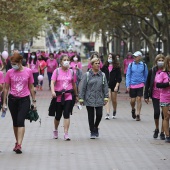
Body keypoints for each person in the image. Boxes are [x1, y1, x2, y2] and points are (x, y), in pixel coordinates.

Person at [2, 53, 36, 154]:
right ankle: (17, 142)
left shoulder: (28, 71)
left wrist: (34, 101)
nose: (13, 65)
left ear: (20, 62)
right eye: (12, 64)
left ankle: (19, 145)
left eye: (14, 63)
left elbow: (31, 87)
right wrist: (4, 102)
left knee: (21, 121)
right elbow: (6, 88)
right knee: (15, 122)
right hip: (12, 100)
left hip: (24, 99)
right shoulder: (9, 72)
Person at [79, 57, 109, 139]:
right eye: (96, 63)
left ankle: (96, 127)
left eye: (99, 63)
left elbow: (105, 86)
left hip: (99, 98)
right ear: (91, 65)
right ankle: (92, 131)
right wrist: (81, 98)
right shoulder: (87, 75)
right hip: (89, 98)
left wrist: (106, 97)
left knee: (99, 114)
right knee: (91, 115)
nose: (98, 65)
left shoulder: (102, 75)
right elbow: (83, 87)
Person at [51, 54, 78, 141]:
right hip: (58, 96)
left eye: (67, 59)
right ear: (61, 62)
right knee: (58, 116)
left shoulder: (72, 72)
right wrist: (53, 91)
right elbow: (52, 82)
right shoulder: (57, 71)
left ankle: (66, 133)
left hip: (68, 95)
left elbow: (74, 84)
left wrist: (76, 95)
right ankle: (55, 129)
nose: (66, 61)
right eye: (64, 60)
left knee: (67, 114)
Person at [144, 54, 165, 140]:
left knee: (164, 114)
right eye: (159, 60)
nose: (160, 62)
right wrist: (146, 96)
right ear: (156, 62)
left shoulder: (167, 71)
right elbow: (147, 83)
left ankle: (163, 132)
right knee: (157, 112)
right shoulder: (152, 71)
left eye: (162, 60)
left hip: (165, 95)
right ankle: (157, 128)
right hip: (155, 95)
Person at [126, 51, 148, 121]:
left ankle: (138, 114)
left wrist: (146, 85)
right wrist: (127, 85)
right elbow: (128, 75)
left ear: (140, 57)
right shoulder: (131, 65)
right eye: (134, 56)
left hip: (140, 84)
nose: (134, 57)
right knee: (132, 100)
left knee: (139, 98)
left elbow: (146, 75)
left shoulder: (144, 65)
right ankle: (133, 109)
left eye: (136, 56)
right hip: (132, 85)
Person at [101, 53, 122, 119]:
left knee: (114, 100)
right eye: (108, 57)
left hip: (114, 85)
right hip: (107, 85)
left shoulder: (117, 67)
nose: (109, 58)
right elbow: (101, 74)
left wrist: (116, 86)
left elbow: (119, 78)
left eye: (111, 57)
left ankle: (114, 110)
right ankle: (107, 113)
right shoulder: (105, 66)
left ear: (113, 59)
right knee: (107, 98)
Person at [156, 55, 170, 143]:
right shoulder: (163, 74)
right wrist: (168, 84)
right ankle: (167, 135)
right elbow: (158, 85)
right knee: (166, 117)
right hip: (165, 97)